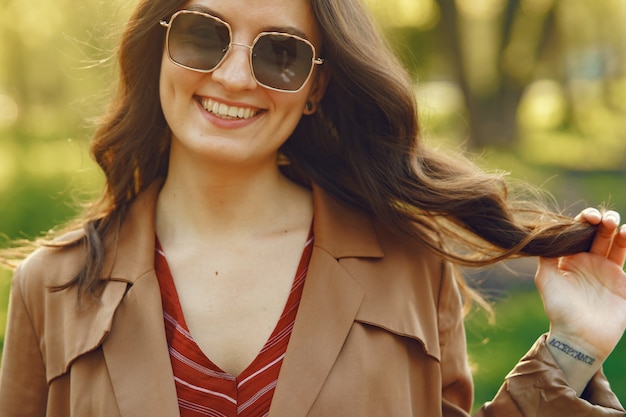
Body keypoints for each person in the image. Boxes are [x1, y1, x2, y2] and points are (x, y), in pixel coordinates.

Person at [0, 0, 625, 415]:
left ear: (316, 88)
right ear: (159, 49)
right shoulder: (50, 289)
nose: (236, 75)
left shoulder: (408, 267)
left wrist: (571, 348)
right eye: (203, 35)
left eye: (281, 53)